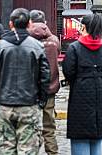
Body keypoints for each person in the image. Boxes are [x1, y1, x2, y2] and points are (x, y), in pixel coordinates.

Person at [0, 7, 50, 154]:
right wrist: (41, 99)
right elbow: (44, 76)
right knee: (28, 149)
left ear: (10, 24)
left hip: (4, 104)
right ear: (29, 24)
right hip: (29, 104)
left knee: (5, 149)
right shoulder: (37, 47)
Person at [63, 14, 102, 155]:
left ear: (83, 27)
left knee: (80, 138)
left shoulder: (74, 48)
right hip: (99, 95)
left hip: (79, 97)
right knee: (97, 138)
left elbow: (68, 72)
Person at [28, 9, 61, 155]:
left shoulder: (26, 40)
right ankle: (52, 152)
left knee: (29, 128)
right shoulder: (54, 40)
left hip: (30, 91)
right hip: (50, 89)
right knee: (49, 128)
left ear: (30, 22)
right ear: (45, 22)